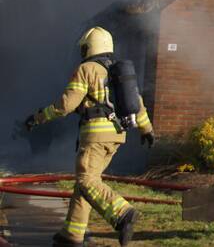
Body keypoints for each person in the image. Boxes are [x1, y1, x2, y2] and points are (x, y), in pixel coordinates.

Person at [24, 27, 155, 246]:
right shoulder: (118, 72)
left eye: (84, 47)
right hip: (116, 135)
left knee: (86, 180)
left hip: (95, 136)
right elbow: (137, 103)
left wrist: (38, 118)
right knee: (84, 184)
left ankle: (123, 213)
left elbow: (66, 105)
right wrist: (146, 129)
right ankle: (71, 234)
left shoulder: (86, 69)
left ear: (89, 47)